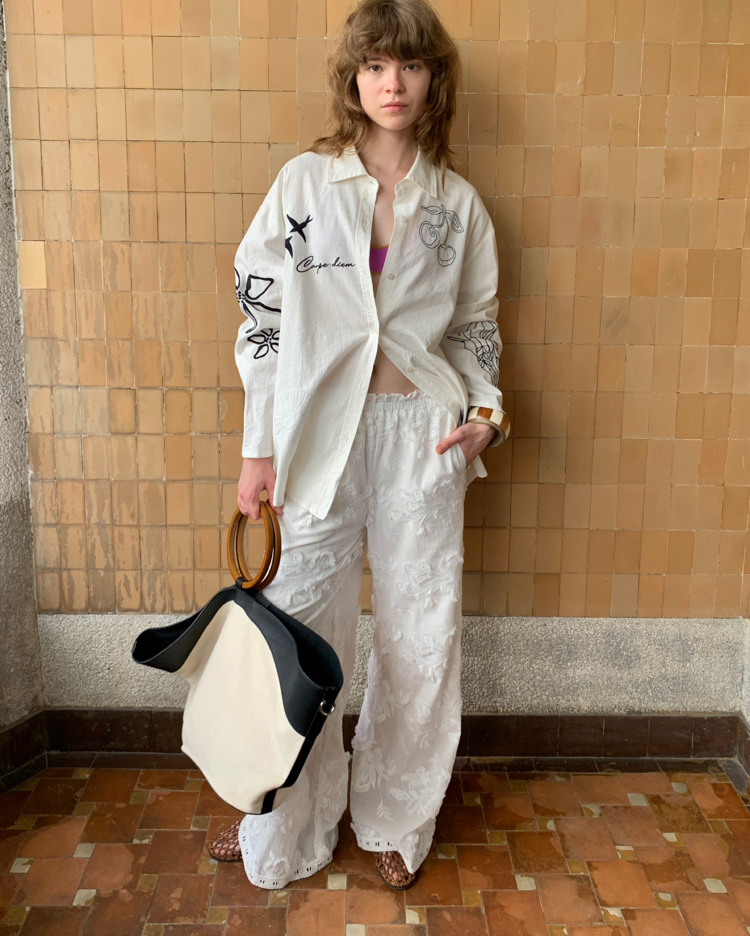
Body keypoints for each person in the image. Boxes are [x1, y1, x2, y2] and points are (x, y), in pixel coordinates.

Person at [207, 0, 509, 891]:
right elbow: (261, 317)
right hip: (316, 440)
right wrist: (258, 447)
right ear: (353, 77)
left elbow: (477, 325)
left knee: (419, 635)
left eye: (409, 64)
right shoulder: (304, 185)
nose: (392, 82)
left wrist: (485, 413)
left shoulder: (458, 205)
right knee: (298, 630)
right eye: (375, 64)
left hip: (423, 439)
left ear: (433, 79)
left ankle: (397, 815)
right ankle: (279, 816)